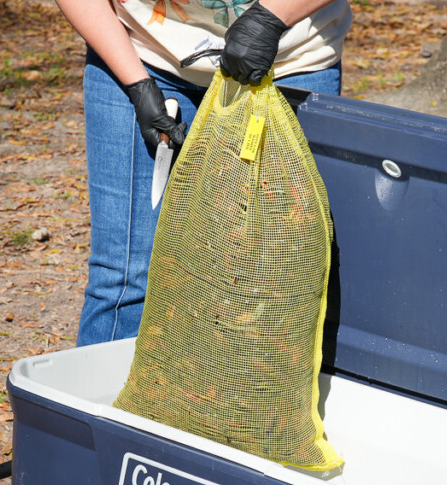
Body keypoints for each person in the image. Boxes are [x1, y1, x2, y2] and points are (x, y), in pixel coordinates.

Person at [54, 0, 352, 346]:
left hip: (288, 61)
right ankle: (103, 397)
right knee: (125, 277)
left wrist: (274, 17)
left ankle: (243, 396)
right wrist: (137, 84)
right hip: (142, 54)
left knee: (276, 275)